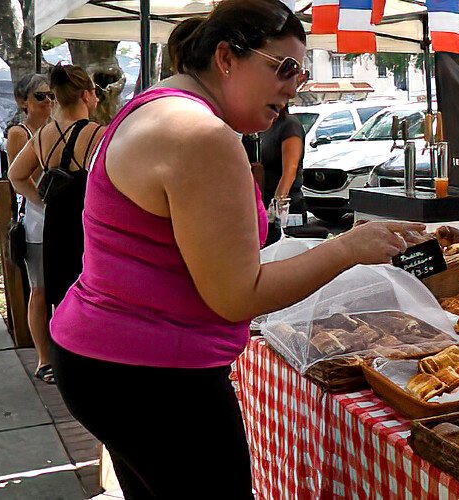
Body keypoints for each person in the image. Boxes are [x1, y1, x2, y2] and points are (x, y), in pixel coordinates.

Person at [46, 1, 422, 496]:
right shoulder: (201, 134)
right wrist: (349, 247)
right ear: (227, 57)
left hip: (108, 363)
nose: (294, 86)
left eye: (302, 73)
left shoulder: (158, 105)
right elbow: (237, 295)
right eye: (284, 68)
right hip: (154, 380)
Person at [8, 65, 105, 317]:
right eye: (95, 92)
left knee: (61, 296)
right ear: (86, 94)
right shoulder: (99, 134)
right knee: (93, 293)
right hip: (90, 225)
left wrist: (41, 201)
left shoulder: (42, 135)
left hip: (55, 225)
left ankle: (62, 348)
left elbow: (16, 175)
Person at [5, 74, 57, 383]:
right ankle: (43, 358)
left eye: (51, 95)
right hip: (36, 220)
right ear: (24, 102)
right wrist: (46, 202)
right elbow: (21, 176)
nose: (48, 101)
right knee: (39, 289)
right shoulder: (20, 133)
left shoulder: (55, 130)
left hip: (59, 220)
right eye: (40, 96)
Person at [258, 105, 306, 245]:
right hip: (267, 202)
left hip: (286, 205)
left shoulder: (289, 124)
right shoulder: (265, 127)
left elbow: (290, 171)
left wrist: (276, 207)